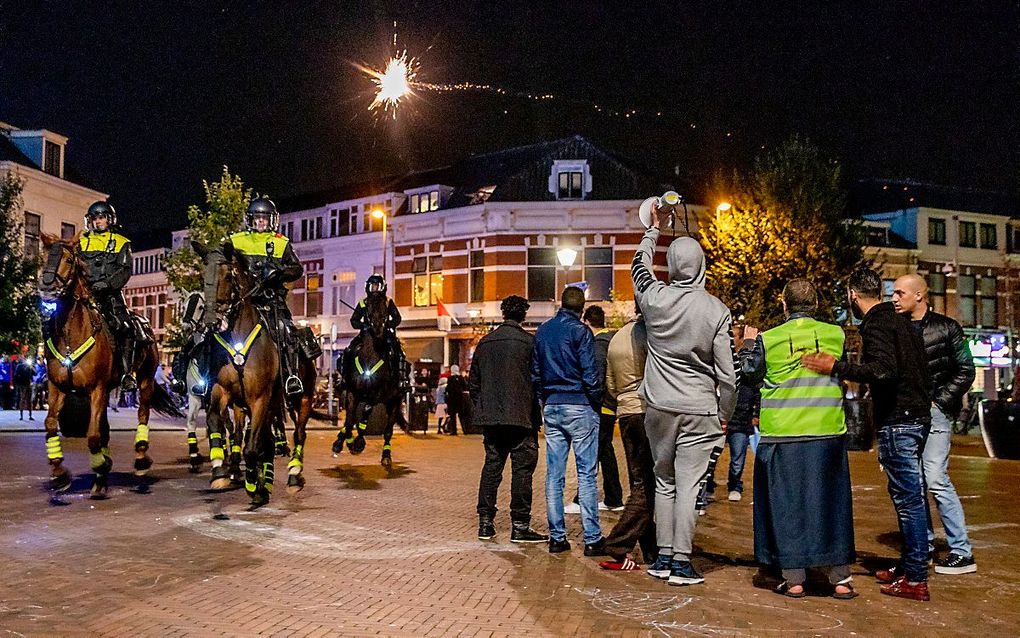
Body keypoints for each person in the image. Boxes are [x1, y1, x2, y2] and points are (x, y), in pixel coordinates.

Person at [803, 268, 932, 601]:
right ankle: (908, 566)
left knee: (908, 500)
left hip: (899, 419)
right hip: (916, 416)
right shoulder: (903, 320)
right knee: (908, 497)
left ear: (852, 295)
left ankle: (916, 577)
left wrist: (837, 367)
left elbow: (883, 370)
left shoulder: (876, 323)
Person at [631, 206, 738, 586]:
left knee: (664, 482)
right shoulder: (716, 310)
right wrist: (726, 412)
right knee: (690, 485)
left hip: (658, 405)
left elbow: (638, 268)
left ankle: (661, 557)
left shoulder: (654, 298)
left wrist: (653, 232)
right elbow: (727, 374)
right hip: (700, 407)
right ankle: (681, 560)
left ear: (674, 266)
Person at [741, 279, 857, 599]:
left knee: (787, 507)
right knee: (832, 506)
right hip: (828, 432)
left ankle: (794, 578)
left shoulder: (769, 339)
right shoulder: (836, 335)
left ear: (783, 305)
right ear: (817, 304)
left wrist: (748, 344)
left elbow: (749, 376)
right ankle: (841, 578)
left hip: (784, 434)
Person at [892, 273, 978, 575]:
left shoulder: (947, 327)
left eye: (900, 293)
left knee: (935, 478)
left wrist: (939, 402)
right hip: (906, 414)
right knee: (913, 481)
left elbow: (966, 369)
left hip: (935, 413)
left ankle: (961, 551)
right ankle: (922, 548)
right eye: (893, 293)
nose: (894, 298)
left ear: (919, 295)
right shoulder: (896, 328)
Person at [204, 197, 304, 394]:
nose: (260, 222)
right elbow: (221, 262)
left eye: (264, 219)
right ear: (250, 220)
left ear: (272, 220)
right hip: (241, 300)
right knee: (212, 330)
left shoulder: (281, 243)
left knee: (287, 331)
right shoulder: (236, 240)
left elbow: (297, 268)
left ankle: (291, 376)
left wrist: (278, 274)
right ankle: (207, 375)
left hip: (270, 299)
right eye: (257, 218)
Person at [532, 285, 604, 555]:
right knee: (586, 474)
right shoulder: (581, 332)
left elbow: (536, 372)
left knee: (554, 474)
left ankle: (557, 537)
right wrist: (594, 400)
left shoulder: (543, 331)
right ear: (582, 308)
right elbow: (590, 373)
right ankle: (592, 538)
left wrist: (544, 400)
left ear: (560, 305)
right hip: (579, 404)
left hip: (552, 405)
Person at [470, 296, 547, 543]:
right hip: (522, 417)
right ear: (523, 315)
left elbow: (474, 384)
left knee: (492, 467)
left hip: (492, 418)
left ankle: (485, 523)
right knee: (522, 471)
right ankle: (520, 525)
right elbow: (538, 381)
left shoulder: (485, 343)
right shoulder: (529, 343)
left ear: (503, 313)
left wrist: (485, 407)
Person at [599, 307, 658, 571]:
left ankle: (651, 548)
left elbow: (610, 384)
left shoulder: (617, 338)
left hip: (625, 411)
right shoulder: (651, 335)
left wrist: (624, 397)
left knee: (640, 479)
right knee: (649, 485)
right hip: (647, 409)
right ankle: (618, 543)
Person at [78, 201, 140, 390]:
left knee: (127, 328)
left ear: (109, 219)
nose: (98, 222)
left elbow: (125, 270)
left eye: (101, 218)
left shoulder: (122, 242)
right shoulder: (81, 242)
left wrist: (107, 284)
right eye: (94, 218)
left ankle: (127, 374)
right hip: (85, 295)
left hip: (110, 297)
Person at [574, 304, 624, 512]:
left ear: (586, 322)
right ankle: (613, 497)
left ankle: (582, 498)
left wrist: (594, 399)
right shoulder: (613, 341)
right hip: (611, 404)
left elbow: (596, 377)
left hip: (601, 405)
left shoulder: (597, 345)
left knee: (593, 450)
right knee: (605, 450)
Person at [347, 274, 410, 391]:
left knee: (398, 351)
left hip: (384, 334)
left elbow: (397, 318)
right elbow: (354, 320)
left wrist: (387, 325)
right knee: (350, 350)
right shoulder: (363, 303)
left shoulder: (388, 302)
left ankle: (401, 379)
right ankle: (345, 378)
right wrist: (363, 326)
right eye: (373, 286)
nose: (375, 289)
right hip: (366, 334)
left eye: (377, 286)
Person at [445, 365, 467, 435]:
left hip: (452, 399)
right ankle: (465, 429)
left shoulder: (450, 378)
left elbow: (448, 388)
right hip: (460, 398)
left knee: (453, 415)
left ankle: (454, 431)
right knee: (461, 415)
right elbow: (465, 386)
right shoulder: (461, 378)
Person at [14, 356, 34, 421]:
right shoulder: (19, 366)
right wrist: (18, 383)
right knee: (22, 399)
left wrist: (32, 368)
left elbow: (35, 373)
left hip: (28, 384)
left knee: (29, 400)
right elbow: (16, 375)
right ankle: (21, 415)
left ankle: (30, 415)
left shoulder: (29, 366)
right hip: (22, 385)